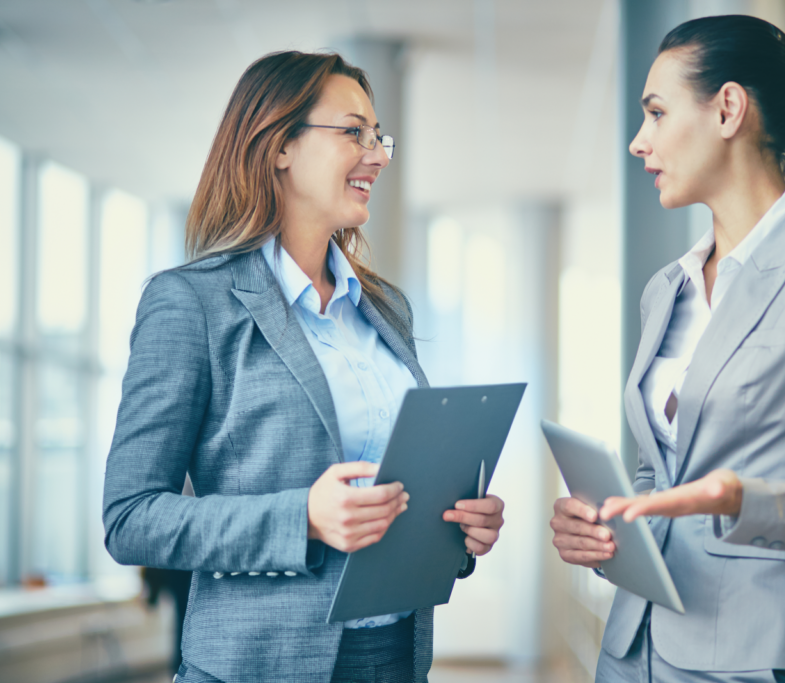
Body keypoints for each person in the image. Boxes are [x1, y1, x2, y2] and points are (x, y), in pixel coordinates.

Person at [102, 51, 505, 683]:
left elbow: (390, 488)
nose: (377, 156)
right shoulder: (191, 303)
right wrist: (304, 518)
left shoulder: (384, 309)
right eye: (354, 133)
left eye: (378, 137)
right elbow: (130, 519)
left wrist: (457, 529)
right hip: (257, 666)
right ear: (280, 146)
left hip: (395, 658)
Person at [550, 15, 785, 683]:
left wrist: (741, 500)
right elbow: (659, 478)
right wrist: (607, 531)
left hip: (759, 658)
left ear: (728, 109)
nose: (639, 141)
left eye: (657, 113)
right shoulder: (667, 290)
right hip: (634, 652)